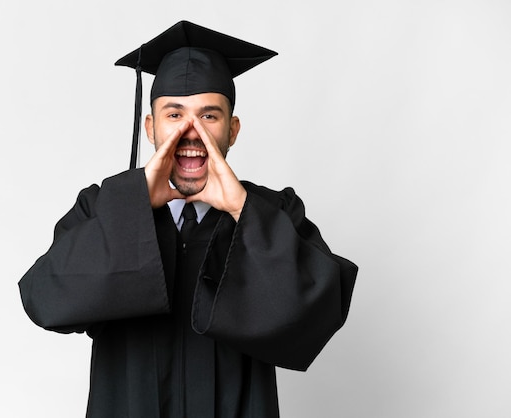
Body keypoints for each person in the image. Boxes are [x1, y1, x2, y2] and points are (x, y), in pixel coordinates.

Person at [18, 20, 358, 418]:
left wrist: (243, 211)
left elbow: (318, 312)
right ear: (151, 127)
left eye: (209, 116)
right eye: (174, 114)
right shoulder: (103, 208)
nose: (190, 131)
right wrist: (134, 207)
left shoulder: (273, 211)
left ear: (232, 130)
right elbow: (44, 299)